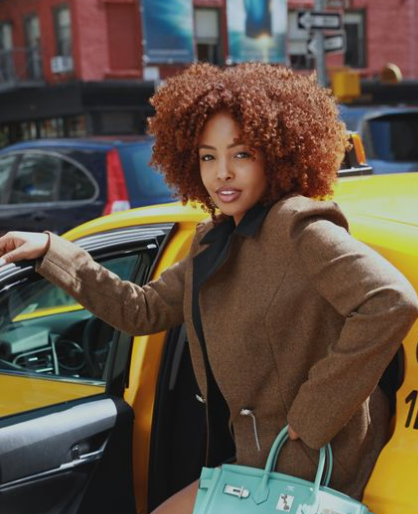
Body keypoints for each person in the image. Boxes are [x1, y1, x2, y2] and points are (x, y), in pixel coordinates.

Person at [0, 63, 417, 514]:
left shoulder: (298, 227)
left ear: (277, 154)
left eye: (240, 154)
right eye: (207, 156)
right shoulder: (212, 239)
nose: (222, 173)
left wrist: (313, 412)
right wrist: (50, 250)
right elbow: (141, 310)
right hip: (253, 458)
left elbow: (391, 301)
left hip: (304, 461)